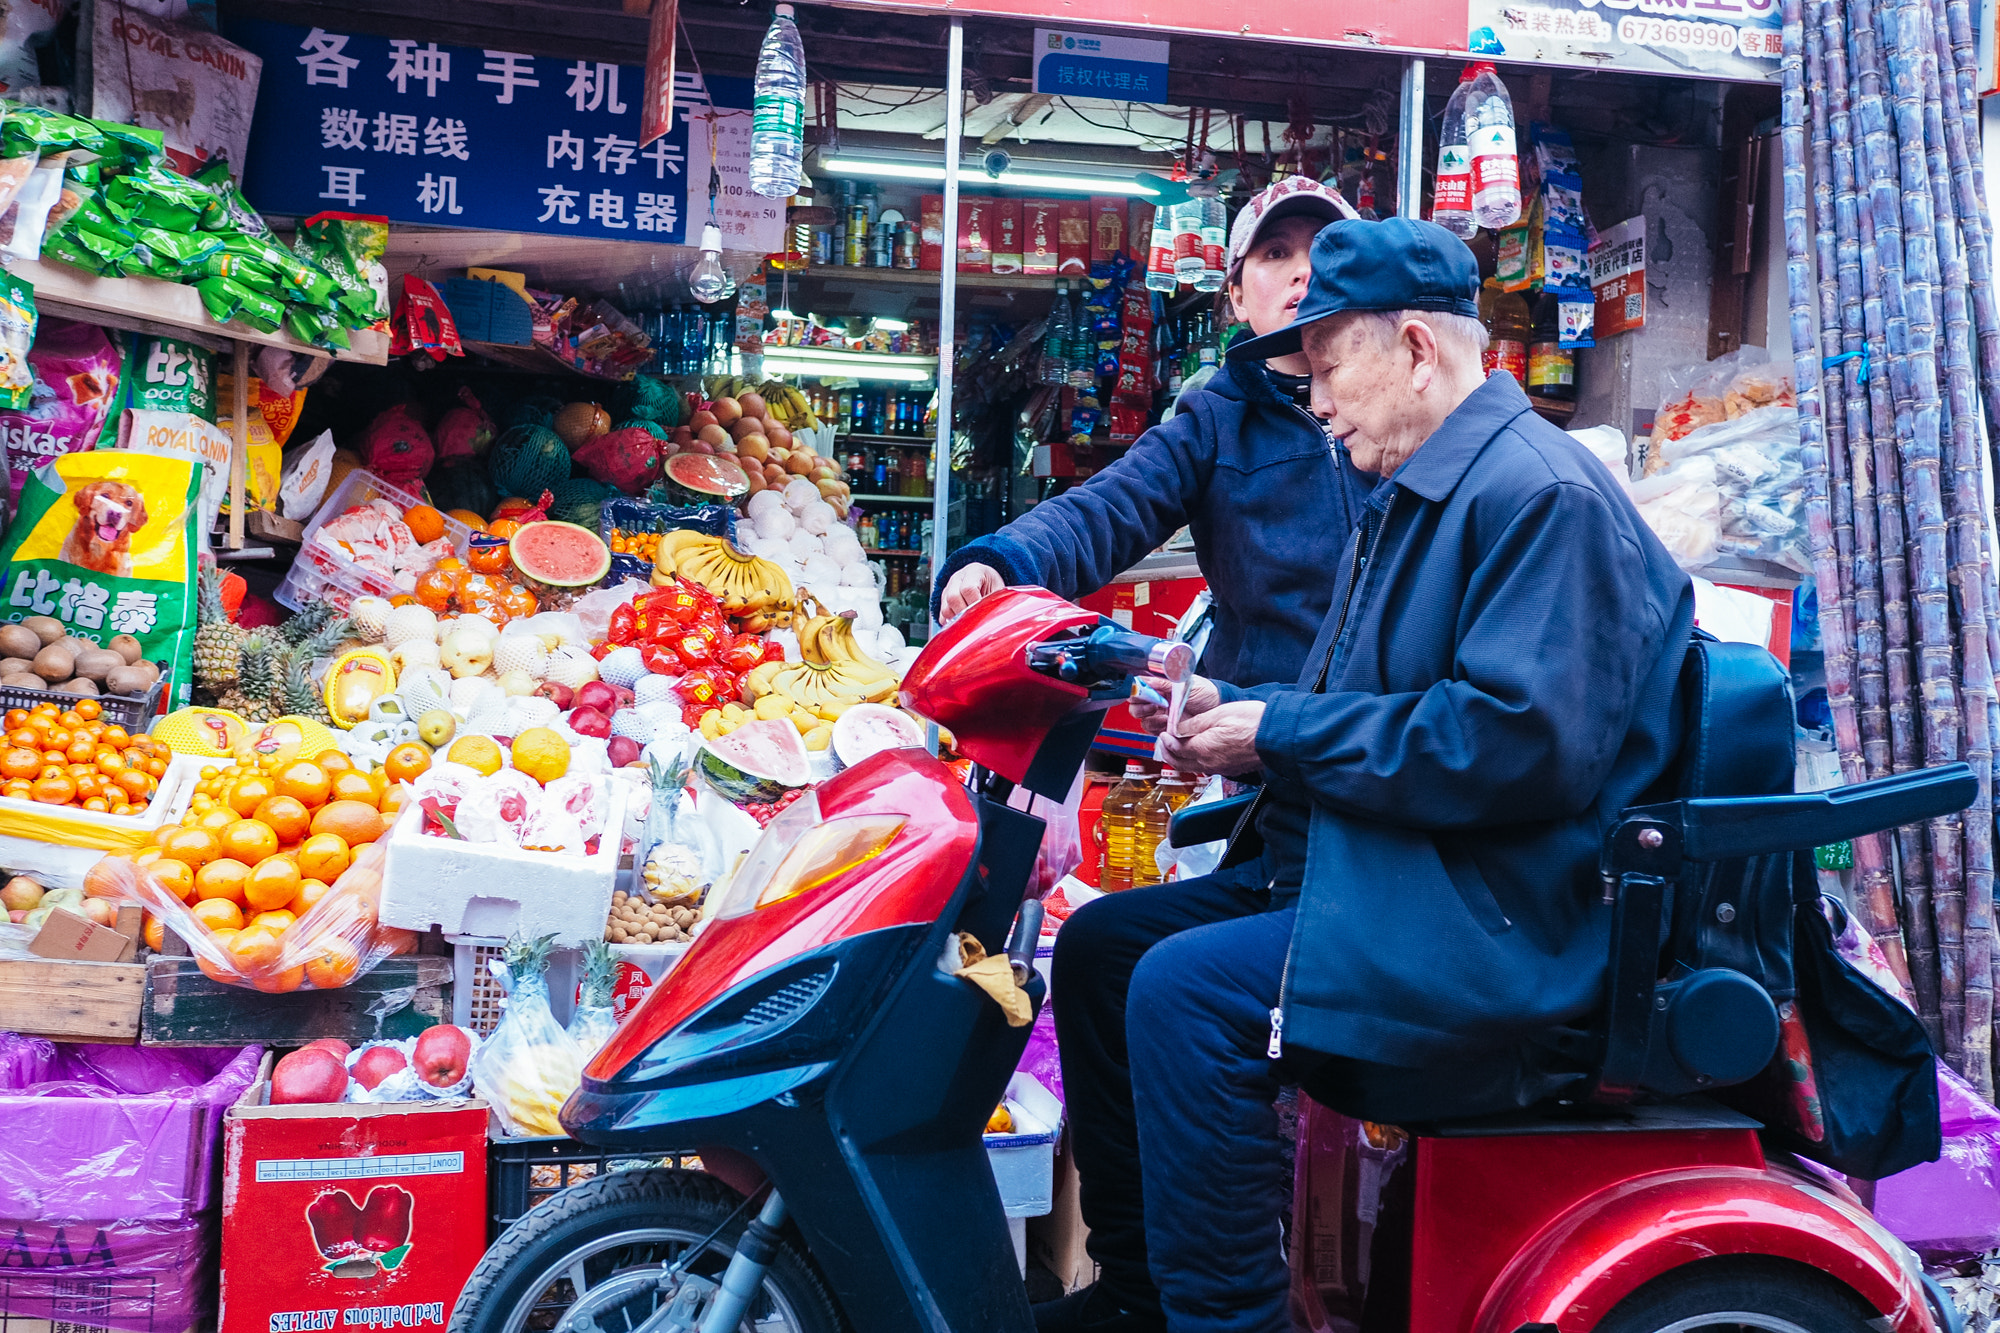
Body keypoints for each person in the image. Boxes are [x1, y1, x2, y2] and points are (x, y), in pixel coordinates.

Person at [1038, 218, 1695, 1333]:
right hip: (1380, 868)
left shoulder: (1537, 496)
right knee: (1103, 951)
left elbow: (1514, 745)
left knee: (1185, 995)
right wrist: (1230, 723)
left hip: (1489, 919)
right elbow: (1363, 706)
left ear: (1415, 349)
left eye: (1331, 364)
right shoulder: (1413, 491)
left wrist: (1278, 734)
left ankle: (1226, 1323)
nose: (1317, 401)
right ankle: (1143, 1294)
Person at [933, 178, 1371, 690]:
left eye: (1324, 249)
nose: (1304, 270)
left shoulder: (1406, 405)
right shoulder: (1213, 423)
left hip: (1392, 733)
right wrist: (1001, 561)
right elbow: (1107, 508)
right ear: (1238, 297)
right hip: (1261, 735)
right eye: (1275, 252)